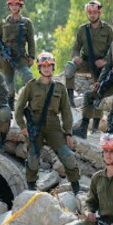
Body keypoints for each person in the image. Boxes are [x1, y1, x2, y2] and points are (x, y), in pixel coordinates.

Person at [15, 52, 79, 193]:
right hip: (34, 124)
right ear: (39, 68)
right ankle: (31, 185)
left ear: (53, 67)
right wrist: (22, 127)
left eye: (49, 66)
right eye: (43, 66)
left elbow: (66, 112)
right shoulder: (31, 86)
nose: (46, 68)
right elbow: (19, 108)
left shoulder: (60, 87)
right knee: (32, 157)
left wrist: (68, 133)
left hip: (53, 125)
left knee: (67, 155)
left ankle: (76, 185)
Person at [64, 0, 113, 108]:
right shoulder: (82, 29)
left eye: (94, 12)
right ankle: (70, 99)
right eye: (89, 12)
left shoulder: (108, 30)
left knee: (104, 84)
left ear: (99, 13)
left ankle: (98, 100)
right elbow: (76, 48)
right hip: (86, 62)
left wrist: (105, 61)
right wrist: (76, 57)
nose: (92, 15)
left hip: (101, 64)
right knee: (69, 67)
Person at [0, 0, 35, 110]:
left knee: (27, 76)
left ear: (20, 6)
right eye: (11, 5)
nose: (14, 7)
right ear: (9, 6)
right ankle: (10, 104)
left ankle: (34, 100)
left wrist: (32, 56)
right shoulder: (3, 22)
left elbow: (31, 40)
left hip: (20, 55)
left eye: (16, 5)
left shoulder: (26, 22)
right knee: (8, 83)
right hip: (6, 57)